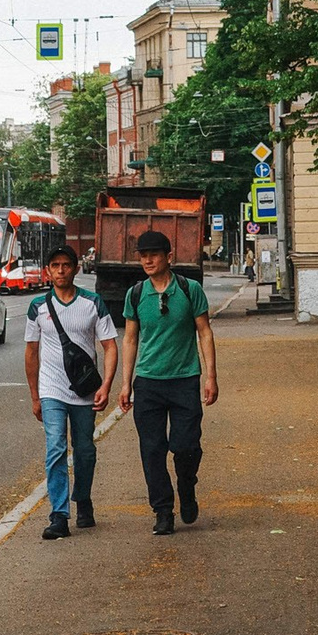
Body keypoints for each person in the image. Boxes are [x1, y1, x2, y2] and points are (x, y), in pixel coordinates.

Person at [118, 229, 217, 535]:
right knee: (152, 449)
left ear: (168, 257)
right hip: (148, 383)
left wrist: (210, 377)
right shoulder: (135, 294)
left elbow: (204, 332)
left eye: (154, 254)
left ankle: (187, 486)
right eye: (143, 255)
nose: (147, 260)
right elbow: (130, 339)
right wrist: (125, 383)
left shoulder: (189, 290)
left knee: (185, 446)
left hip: (185, 379)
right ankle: (162, 510)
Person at [22, 244, 118, 539]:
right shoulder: (37, 306)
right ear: (48, 271)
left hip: (85, 391)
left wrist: (106, 385)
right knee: (55, 448)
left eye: (66, 265)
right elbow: (31, 352)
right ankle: (59, 515)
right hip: (51, 389)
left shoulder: (92, 303)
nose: (61, 270)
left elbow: (110, 346)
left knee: (85, 450)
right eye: (55, 265)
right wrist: (35, 396)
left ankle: (83, 498)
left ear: (76, 269)